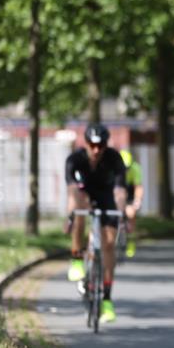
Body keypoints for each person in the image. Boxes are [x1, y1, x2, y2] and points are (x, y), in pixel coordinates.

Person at [65, 124, 127, 323]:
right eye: (92, 145)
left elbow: (120, 191)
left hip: (106, 197)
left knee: (109, 245)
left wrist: (120, 213)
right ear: (86, 143)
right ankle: (76, 259)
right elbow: (72, 192)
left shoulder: (114, 159)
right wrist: (70, 216)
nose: (96, 150)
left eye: (100, 146)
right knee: (80, 208)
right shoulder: (75, 159)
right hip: (83, 195)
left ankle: (107, 299)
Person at [120, 149, 144, 258]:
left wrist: (137, 200)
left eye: (127, 168)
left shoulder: (135, 168)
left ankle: (130, 240)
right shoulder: (114, 169)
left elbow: (138, 187)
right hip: (118, 191)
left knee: (131, 213)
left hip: (129, 192)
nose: (125, 170)